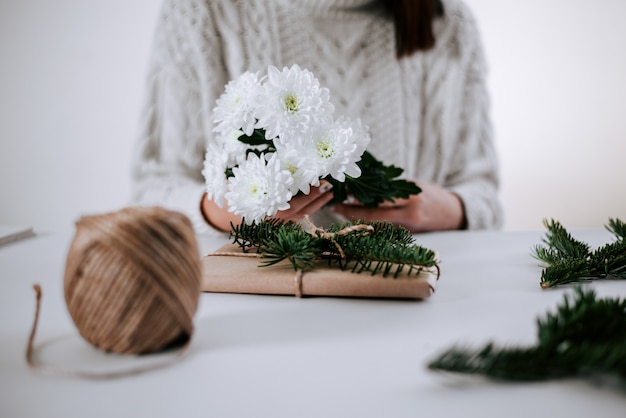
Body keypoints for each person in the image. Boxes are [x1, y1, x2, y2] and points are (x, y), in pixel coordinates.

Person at [131, 0, 503, 236]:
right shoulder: (202, 11)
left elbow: (484, 195)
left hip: (408, 302)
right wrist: (218, 212)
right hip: (256, 312)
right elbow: (151, 194)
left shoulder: (447, 22)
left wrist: (450, 210)